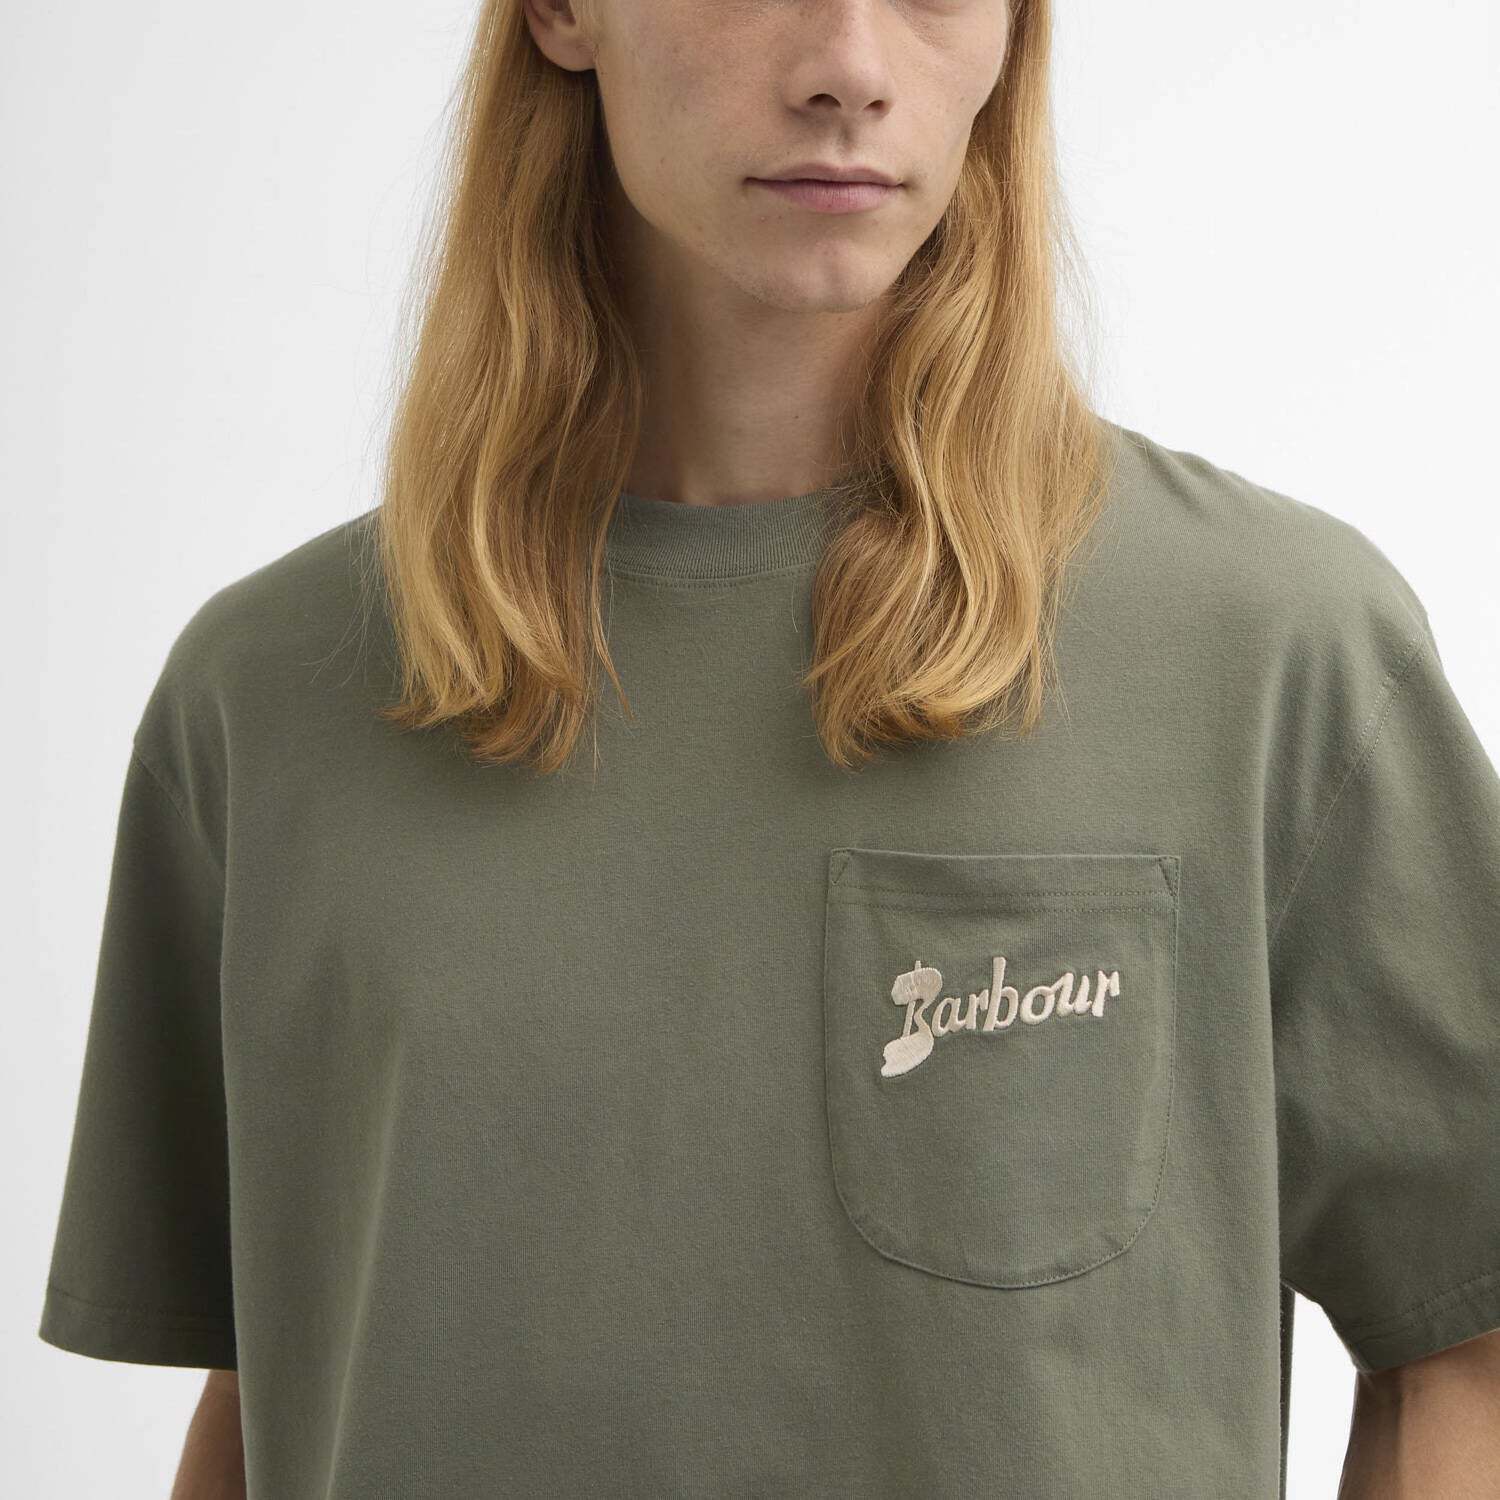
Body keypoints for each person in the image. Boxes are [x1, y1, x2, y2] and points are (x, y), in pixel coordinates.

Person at [37, 0, 1500, 1496]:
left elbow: (1465, 1348)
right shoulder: (268, 702)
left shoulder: (1271, 655)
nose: (849, 67)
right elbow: (282, 1378)